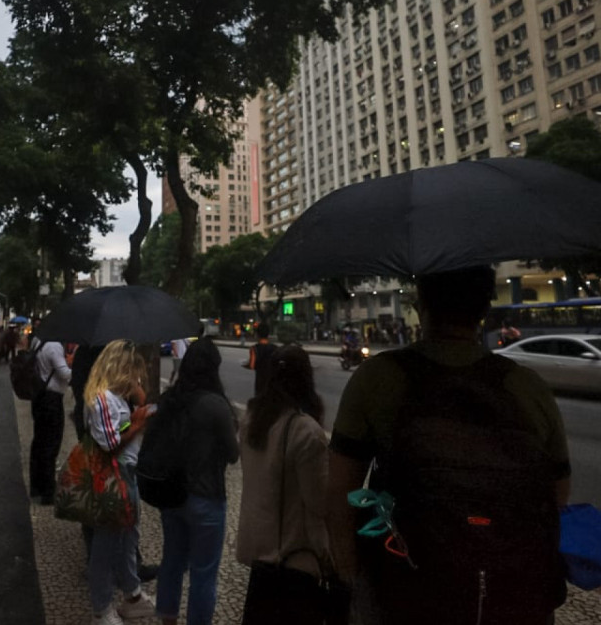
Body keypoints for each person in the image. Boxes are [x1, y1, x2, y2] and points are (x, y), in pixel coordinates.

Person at [326, 266, 570, 625]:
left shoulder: (378, 378)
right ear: (484, 310)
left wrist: (348, 574)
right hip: (513, 589)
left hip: (403, 587)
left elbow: (339, 490)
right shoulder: (528, 386)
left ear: (421, 305)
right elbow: (558, 493)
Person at [236, 345, 335, 625]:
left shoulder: (251, 421)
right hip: (293, 560)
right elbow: (320, 503)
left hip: (261, 557)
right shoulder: (305, 431)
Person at [156, 337, 240, 625]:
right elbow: (233, 455)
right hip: (206, 498)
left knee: (171, 562)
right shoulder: (216, 405)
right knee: (203, 572)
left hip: (171, 495)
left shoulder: (169, 400)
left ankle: (167, 620)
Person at [82, 340, 157, 625]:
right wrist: (137, 424)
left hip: (126, 471)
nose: (137, 376)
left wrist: (137, 405)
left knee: (128, 539)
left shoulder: (116, 396)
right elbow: (110, 442)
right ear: (121, 367)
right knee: (106, 545)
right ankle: (101, 609)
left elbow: (118, 428)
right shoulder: (101, 398)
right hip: (113, 475)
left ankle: (132, 595)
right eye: (133, 369)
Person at [28, 334, 72, 505]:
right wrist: (74, 366)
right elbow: (65, 374)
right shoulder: (54, 346)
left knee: (39, 442)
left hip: (39, 397)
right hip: (52, 400)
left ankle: (36, 486)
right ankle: (48, 491)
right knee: (51, 444)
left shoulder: (38, 341)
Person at [244, 323, 276, 398]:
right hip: (272, 380)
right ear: (268, 334)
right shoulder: (275, 348)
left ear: (257, 334)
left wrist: (245, 365)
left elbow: (251, 366)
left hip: (260, 380)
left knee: (259, 398)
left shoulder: (254, 348)